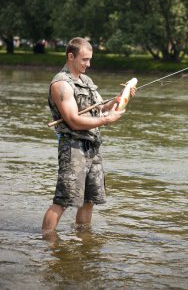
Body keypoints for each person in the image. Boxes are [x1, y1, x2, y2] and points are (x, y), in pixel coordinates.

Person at [42, 37, 134, 237]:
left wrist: (121, 98)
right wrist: (107, 120)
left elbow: (102, 107)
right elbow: (73, 121)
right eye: (84, 59)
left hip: (93, 147)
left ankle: (84, 241)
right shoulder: (61, 84)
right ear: (70, 56)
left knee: (89, 200)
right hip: (72, 147)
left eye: (90, 59)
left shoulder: (86, 81)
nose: (88, 64)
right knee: (63, 200)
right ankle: (48, 242)